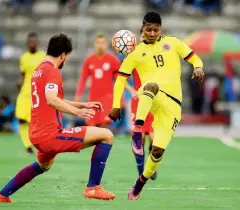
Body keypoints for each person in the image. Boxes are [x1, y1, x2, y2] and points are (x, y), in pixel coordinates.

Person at [0, 33, 116, 203]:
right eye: (67, 57)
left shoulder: (39, 70)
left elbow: (51, 98)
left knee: (43, 165)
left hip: (36, 134)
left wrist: (81, 105)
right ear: (63, 55)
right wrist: (77, 112)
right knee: (106, 135)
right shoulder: (52, 72)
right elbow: (51, 99)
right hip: (51, 135)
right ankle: (93, 188)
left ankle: (1, 195)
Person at [109, 12, 204, 200]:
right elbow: (120, 79)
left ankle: (140, 183)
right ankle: (137, 133)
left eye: (155, 29)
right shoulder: (135, 53)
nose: (152, 33)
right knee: (151, 86)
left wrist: (198, 67)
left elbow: (194, 58)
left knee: (157, 150)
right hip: (152, 96)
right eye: (148, 29)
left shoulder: (173, 43)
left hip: (173, 105)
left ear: (161, 29)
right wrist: (115, 105)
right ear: (142, 29)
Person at [124, 30, 157, 180]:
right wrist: (132, 90)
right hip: (138, 102)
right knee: (140, 138)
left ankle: (151, 163)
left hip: (154, 102)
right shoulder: (133, 56)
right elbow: (121, 78)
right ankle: (140, 170)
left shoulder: (159, 55)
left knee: (155, 140)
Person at [75, 33, 121, 128]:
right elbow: (83, 79)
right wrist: (78, 95)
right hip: (93, 99)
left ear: (107, 44)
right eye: (98, 43)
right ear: (94, 45)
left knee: (104, 125)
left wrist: (120, 98)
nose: (100, 45)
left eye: (103, 43)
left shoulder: (113, 60)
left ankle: (104, 143)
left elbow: (120, 80)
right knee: (91, 126)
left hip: (107, 98)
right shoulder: (89, 60)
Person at [15, 32, 45, 154]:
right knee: (21, 119)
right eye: (30, 42)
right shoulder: (23, 57)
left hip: (37, 94)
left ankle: (38, 144)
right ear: (27, 43)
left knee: (35, 121)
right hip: (24, 93)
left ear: (37, 43)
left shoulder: (43, 56)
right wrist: (19, 84)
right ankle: (27, 146)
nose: (32, 43)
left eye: (34, 41)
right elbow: (23, 75)